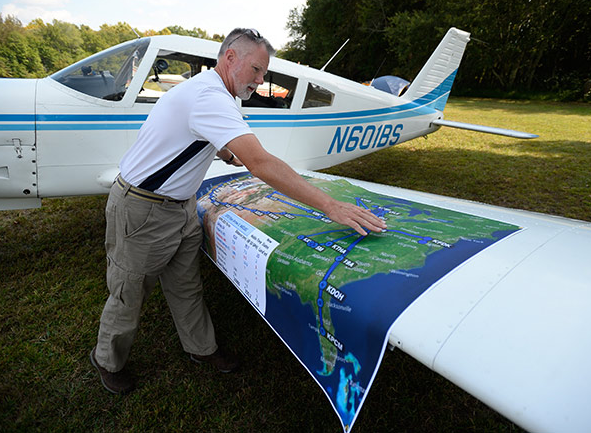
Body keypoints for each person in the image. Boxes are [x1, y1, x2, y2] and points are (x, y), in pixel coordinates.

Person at [90, 28, 386, 395]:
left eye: (264, 73)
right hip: (143, 208)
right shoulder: (210, 96)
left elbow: (201, 138)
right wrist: (330, 205)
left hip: (181, 206)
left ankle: (201, 348)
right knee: (128, 291)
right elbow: (260, 162)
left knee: (186, 286)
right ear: (230, 58)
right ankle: (107, 360)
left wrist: (228, 154)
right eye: (257, 70)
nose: (261, 81)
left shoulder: (210, 90)